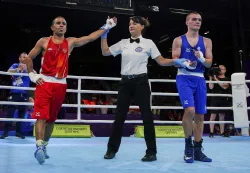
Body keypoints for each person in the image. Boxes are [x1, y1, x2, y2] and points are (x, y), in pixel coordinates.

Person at [25, 16, 117, 164]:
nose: (61, 25)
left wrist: (106, 26)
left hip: (61, 85)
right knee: (41, 116)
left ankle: (45, 146)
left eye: (64, 24)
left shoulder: (71, 42)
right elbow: (28, 58)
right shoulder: (43, 41)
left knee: (51, 120)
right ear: (52, 27)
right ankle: (39, 146)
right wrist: (32, 75)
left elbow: (90, 38)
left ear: (66, 28)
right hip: (44, 83)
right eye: (58, 23)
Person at [101, 16, 189, 162]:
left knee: (147, 117)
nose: (131, 25)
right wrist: (105, 34)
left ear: (142, 26)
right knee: (119, 118)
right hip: (125, 82)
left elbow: (161, 61)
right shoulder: (123, 43)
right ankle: (111, 149)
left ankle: (151, 152)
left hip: (141, 82)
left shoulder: (148, 43)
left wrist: (175, 61)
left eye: (134, 23)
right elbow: (105, 52)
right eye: (129, 23)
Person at [172, 12, 213, 163]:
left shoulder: (207, 41)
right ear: (187, 22)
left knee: (200, 115)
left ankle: (197, 149)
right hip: (183, 77)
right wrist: (184, 63)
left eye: (199, 20)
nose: (197, 22)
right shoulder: (178, 40)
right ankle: (187, 146)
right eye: (194, 19)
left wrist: (201, 58)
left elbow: (208, 63)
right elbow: (175, 60)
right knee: (190, 110)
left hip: (200, 79)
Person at [0, 52, 31, 139]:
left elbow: (34, 74)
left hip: (25, 93)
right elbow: (8, 72)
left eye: (26, 57)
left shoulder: (29, 66)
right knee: (10, 113)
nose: (25, 59)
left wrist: (27, 69)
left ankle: (18, 132)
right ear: (19, 58)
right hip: (14, 92)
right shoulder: (15, 65)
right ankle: (5, 132)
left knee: (21, 114)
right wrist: (18, 69)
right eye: (23, 57)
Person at [209, 65, 231, 137]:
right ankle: (211, 132)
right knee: (213, 116)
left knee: (222, 116)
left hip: (223, 98)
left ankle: (222, 132)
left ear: (225, 70)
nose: (220, 70)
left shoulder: (227, 79)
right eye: (219, 69)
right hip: (215, 98)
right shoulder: (215, 78)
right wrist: (211, 78)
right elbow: (211, 87)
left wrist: (216, 79)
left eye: (222, 69)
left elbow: (224, 87)